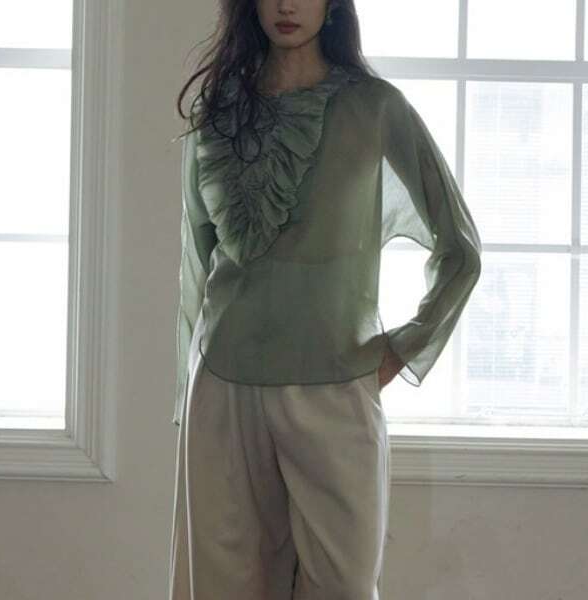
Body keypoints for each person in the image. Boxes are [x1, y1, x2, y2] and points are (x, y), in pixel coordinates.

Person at [168, 1, 482, 599]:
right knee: (220, 587)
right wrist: (187, 392)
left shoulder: (376, 107)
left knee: (342, 586)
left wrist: (400, 350)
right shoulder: (217, 113)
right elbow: (196, 266)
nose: (287, 5)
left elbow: (460, 250)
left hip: (334, 387)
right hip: (223, 390)